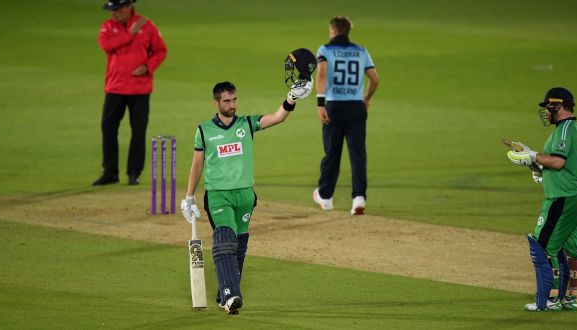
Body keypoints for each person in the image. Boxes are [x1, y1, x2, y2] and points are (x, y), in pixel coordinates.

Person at [179, 51, 315, 315]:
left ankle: (222, 294)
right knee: (225, 240)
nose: (232, 104)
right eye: (227, 100)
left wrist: (291, 99)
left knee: (239, 246)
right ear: (216, 102)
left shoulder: (247, 124)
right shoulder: (204, 130)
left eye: (234, 99)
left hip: (245, 195)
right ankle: (232, 296)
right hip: (218, 196)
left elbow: (277, 117)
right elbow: (197, 164)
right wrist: (189, 196)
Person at [507, 87, 577, 311]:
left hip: (563, 197)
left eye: (548, 107)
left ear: (557, 106)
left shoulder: (564, 130)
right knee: (571, 247)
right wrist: (539, 168)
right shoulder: (576, 129)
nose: (546, 112)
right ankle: (570, 298)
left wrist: (532, 156)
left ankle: (549, 300)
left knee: (543, 247)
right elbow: (564, 165)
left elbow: (559, 161)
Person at [93, 0, 167, 186]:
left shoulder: (147, 25)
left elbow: (160, 51)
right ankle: (110, 172)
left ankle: (134, 173)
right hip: (115, 86)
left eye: (117, 9)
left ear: (127, 8)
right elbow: (106, 45)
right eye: (112, 10)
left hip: (139, 88)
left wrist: (148, 67)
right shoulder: (108, 26)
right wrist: (130, 33)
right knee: (108, 128)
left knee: (138, 130)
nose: (113, 14)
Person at [313, 16, 379, 215]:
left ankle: (326, 197)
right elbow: (375, 79)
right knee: (358, 154)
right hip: (356, 108)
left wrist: (320, 104)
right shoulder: (361, 51)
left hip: (334, 107)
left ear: (333, 31)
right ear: (347, 31)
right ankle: (358, 199)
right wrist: (366, 98)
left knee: (332, 152)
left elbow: (322, 74)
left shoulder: (325, 50)